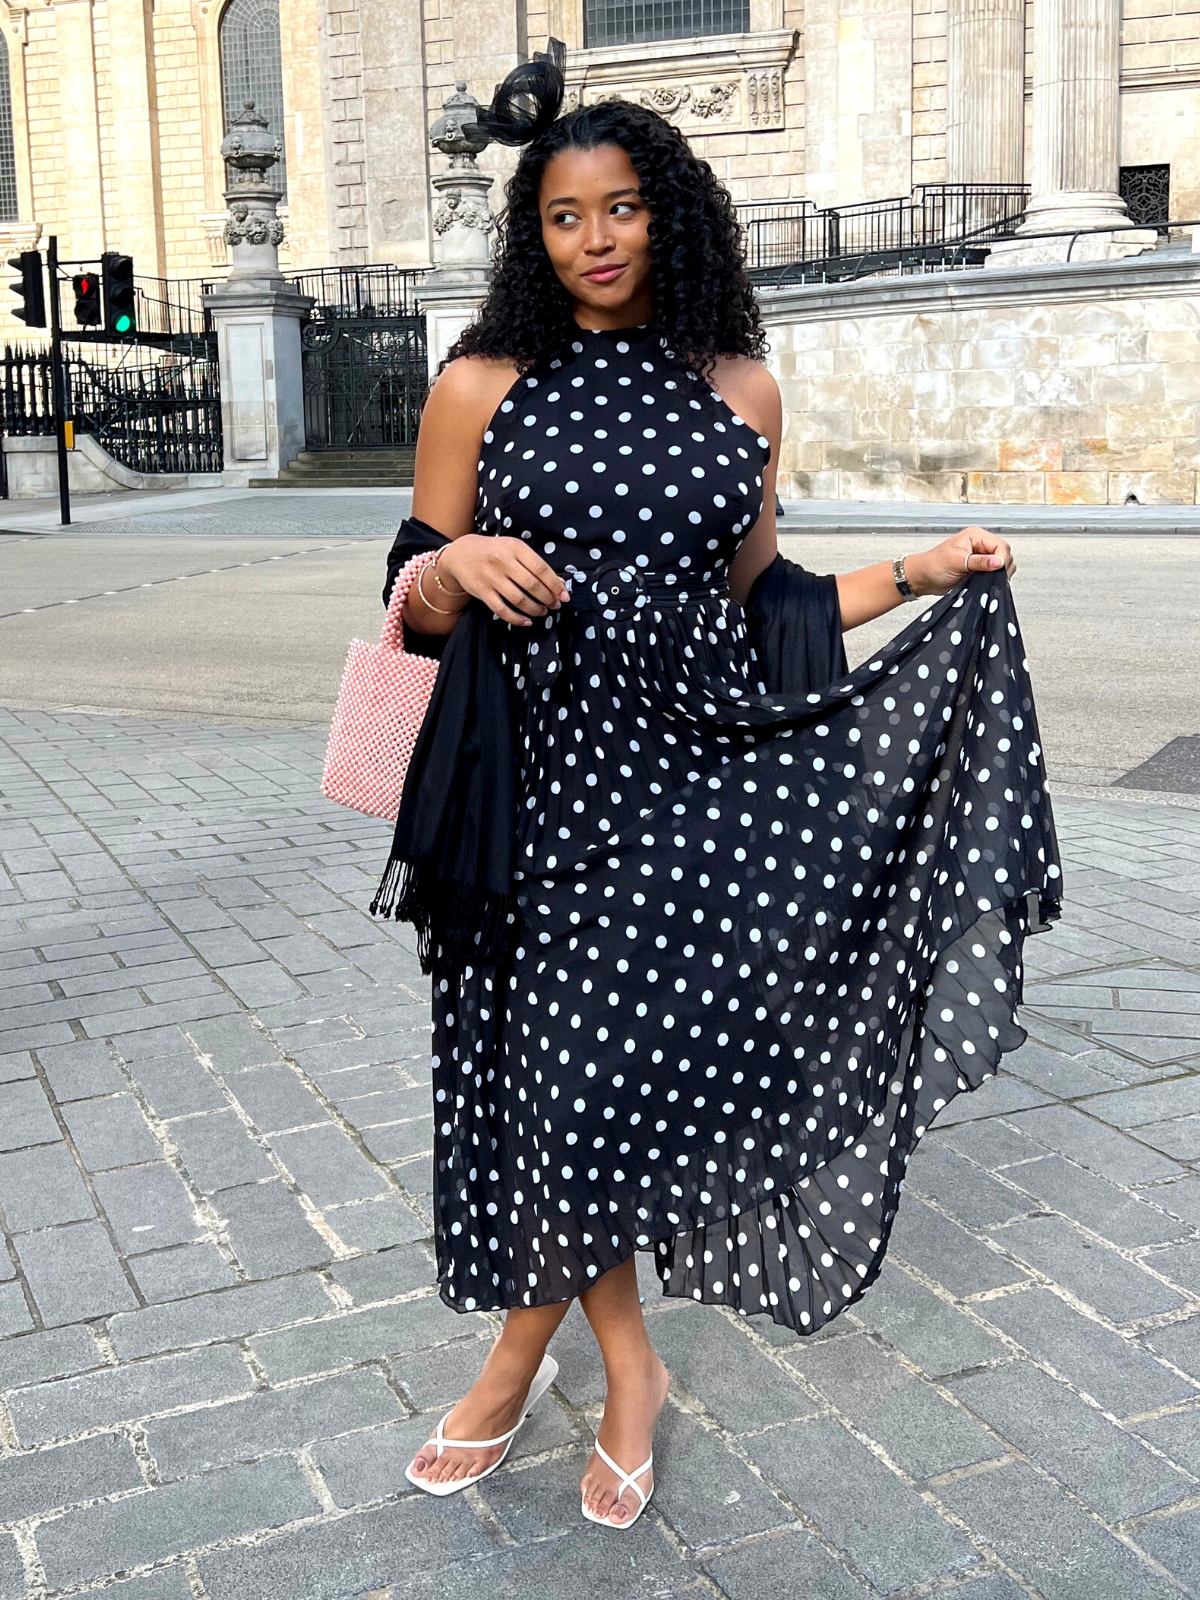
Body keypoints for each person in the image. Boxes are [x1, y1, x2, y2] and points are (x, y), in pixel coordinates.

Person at [379, 58, 1060, 1529]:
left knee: (608, 1091)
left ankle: (531, 1363)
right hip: (532, 795)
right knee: (560, 1086)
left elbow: (765, 602)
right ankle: (603, 1368)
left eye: (622, 208)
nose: (596, 239)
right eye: (563, 218)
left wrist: (923, 574)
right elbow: (405, 603)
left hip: (693, 793)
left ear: (670, 217)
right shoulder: (478, 386)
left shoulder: (742, 389)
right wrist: (449, 568)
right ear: (533, 238)